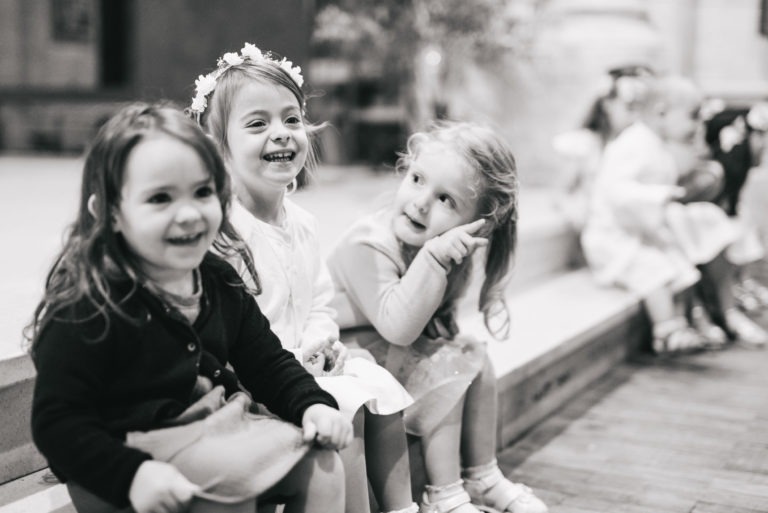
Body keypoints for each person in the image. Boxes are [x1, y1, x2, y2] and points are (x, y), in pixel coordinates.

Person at [27, 103, 352, 513]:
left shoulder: (215, 278)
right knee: (233, 483)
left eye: (202, 192)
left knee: (322, 463)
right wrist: (131, 473)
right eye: (160, 198)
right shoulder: (90, 304)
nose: (188, 214)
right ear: (109, 214)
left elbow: (266, 361)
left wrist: (312, 403)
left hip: (211, 428)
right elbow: (57, 423)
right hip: (122, 454)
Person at [188, 43, 417, 513]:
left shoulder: (303, 223)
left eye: (291, 119)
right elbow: (231, 334)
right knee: (341, 411)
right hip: (257, 378)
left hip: (306, 362)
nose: (282, 134)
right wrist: (296, 364)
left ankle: (402, 507)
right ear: (217, 147)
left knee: (378, 387)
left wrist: (322, 341)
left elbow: (318, 299)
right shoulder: (225, 232)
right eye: (257, 124)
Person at [327, 121, 548, 513]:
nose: (421, 202)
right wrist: (432, 259)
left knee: (472, 355)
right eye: (417, 179)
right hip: (344, 353)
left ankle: (483, 475)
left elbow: (431, 323)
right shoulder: (368, 243)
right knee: (448, 367)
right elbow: (398, 325)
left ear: (480, 222)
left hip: (385, 345)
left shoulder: (439, 245)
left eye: (446, 199)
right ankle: (444, 495)